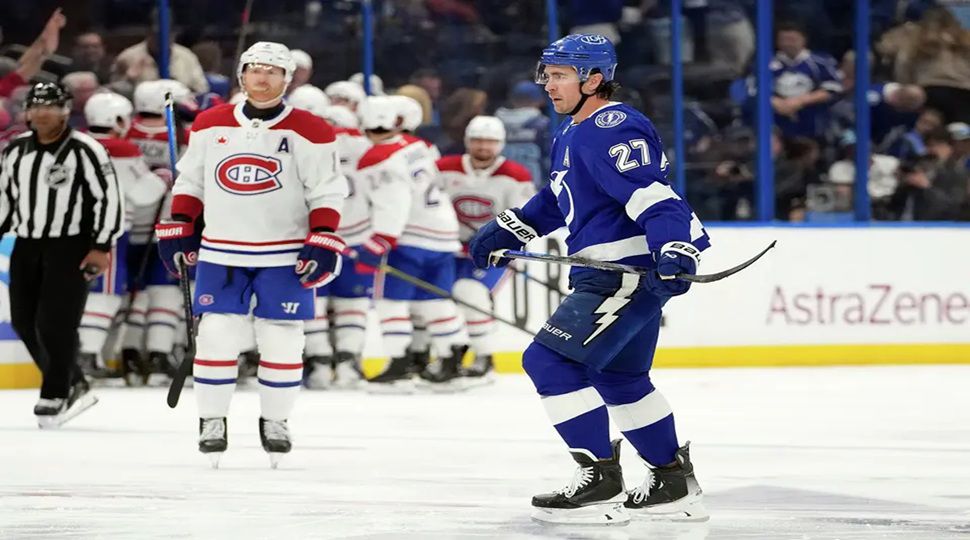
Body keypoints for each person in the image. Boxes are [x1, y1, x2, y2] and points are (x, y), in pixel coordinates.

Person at [469, 34, 711, 524]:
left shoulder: (611, 125)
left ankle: (599, 476)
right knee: (618, 377)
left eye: (559, 76)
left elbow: (652, 195)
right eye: (548, 75)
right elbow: (559, 201)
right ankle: (671, 481)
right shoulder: (572, 130)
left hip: (623, 274)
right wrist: (507, 228)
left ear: (594, 79)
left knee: (548, 363)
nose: (548, 85)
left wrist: (675, 245)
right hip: (610, 273)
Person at [155, 42, 348, 468]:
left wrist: (324, 235)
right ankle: (211, 419)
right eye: (254, 70)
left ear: (288, 78)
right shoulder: (210, 123)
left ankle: (275, 421)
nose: (262, 78)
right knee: (217, 335)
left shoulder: (310, 128)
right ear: (242, 75)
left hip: (285, 254)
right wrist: (182, 224)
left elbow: (327, 188)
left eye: (272, 72)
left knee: (283, 340)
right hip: (222, 250)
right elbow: (191, 180)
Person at [0, 82, 124, 428]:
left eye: (51, 106)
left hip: (71, 245)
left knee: (56, 322)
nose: (42, 113)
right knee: (25, 321)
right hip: (27, 243)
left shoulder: (86, 150)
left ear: (67, 110)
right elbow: (5, 199)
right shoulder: (15, 151)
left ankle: (54, 391)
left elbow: (108, 198)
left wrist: (101, 246)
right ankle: (72, 382)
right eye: (36, 106)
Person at [355, 96, 468, 390]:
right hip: (444, 235)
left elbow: (394, 202)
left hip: (409, 239)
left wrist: (380, 242)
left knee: (390, 302)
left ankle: (399, 363)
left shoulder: (377, 159)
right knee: (435, 301)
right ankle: (452, 358)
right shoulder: (417, 146)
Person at [78, 92, 169, 381]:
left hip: (68, 229)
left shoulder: (74, 142)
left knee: (80, 294)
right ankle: (87, 355)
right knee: (105, 295)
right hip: (109, 230)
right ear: (115, 119)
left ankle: (82, 354)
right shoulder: (122, 149)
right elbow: (143, 193)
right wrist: (163, 177)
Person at [437, 115, 534, 379]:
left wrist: (491, 243)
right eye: (478, 140)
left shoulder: (516, 175)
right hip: (450, 248)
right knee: (438, 299)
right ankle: (449, 354)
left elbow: (523, 219)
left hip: (494, 253)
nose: (483, 147)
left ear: (500, 144)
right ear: (467, 141)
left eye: (490, 142)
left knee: (471, 293)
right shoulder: (444, 168)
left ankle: (483, 356)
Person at [297, 89, 373, 390]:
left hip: (315, 233)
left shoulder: (303, 146)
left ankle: (318, 362)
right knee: (352, 302)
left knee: (314, 300)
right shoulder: (365, 146)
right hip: (357, 234)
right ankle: (348, 363)